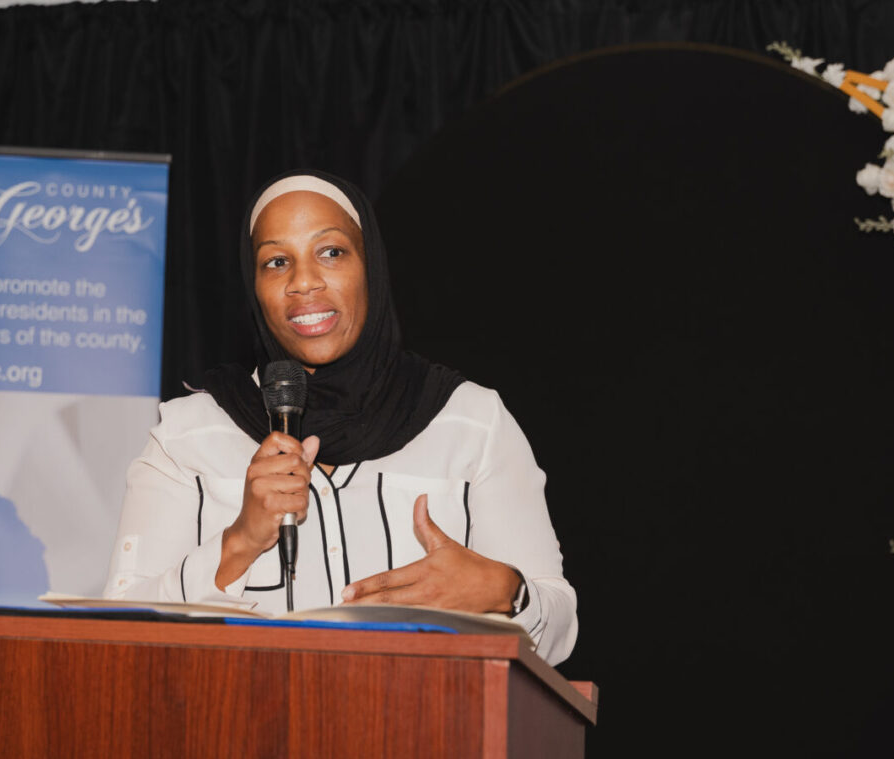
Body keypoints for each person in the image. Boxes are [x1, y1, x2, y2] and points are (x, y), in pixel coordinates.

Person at [103, 172, 576, 664]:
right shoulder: (187, 435)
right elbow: (117, 631)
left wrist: (504, 590)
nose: (303, 282)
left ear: (369, 264)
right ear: (254, 286)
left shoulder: (471, 421)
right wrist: (240, 542)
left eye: (331, 252)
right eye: (277, 261)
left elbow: (561, 629)